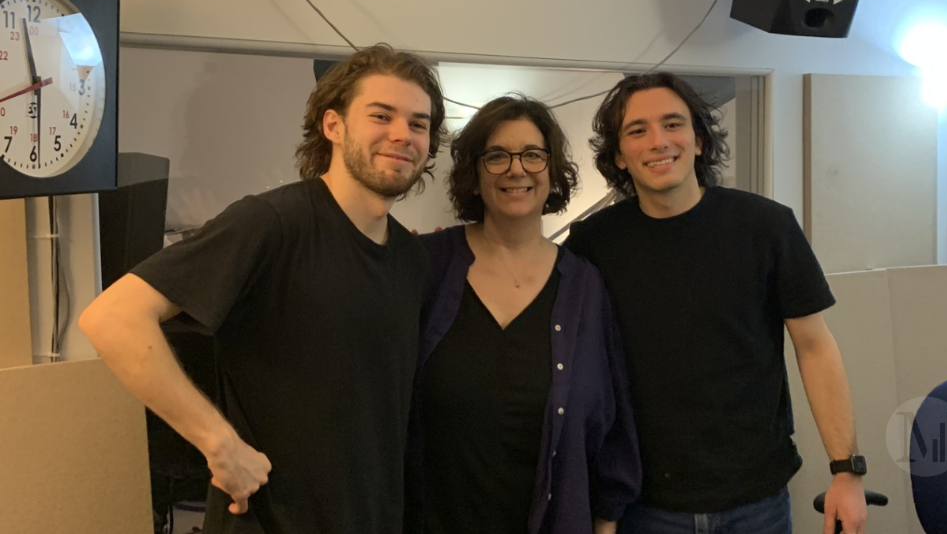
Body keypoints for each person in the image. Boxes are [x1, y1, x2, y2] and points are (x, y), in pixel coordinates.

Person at [78, 43, 448, 534]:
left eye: (418, 123)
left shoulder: (409, 257)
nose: (402, 134)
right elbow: (112, 317)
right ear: (333, 125)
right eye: (382, 115)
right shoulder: (272, 223)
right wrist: (220, 445)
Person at [563, 72, 868, 534]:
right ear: (620, 156)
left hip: (756, 503)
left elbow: (814, 347)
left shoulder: (767, 228)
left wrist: (846, 470)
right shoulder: (593, 244)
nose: (658, 141)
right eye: (637, 130)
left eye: (673, 124)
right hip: (644, 506)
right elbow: (579, 371)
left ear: (700, 140)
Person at [409, 95, 641, 534]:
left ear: (551, 173)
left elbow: (611, 420)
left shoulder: (584, 286)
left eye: (533, 155)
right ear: (473, 177)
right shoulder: (425, 266)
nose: (517, 169)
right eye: (497, 156)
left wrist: (607, 522)